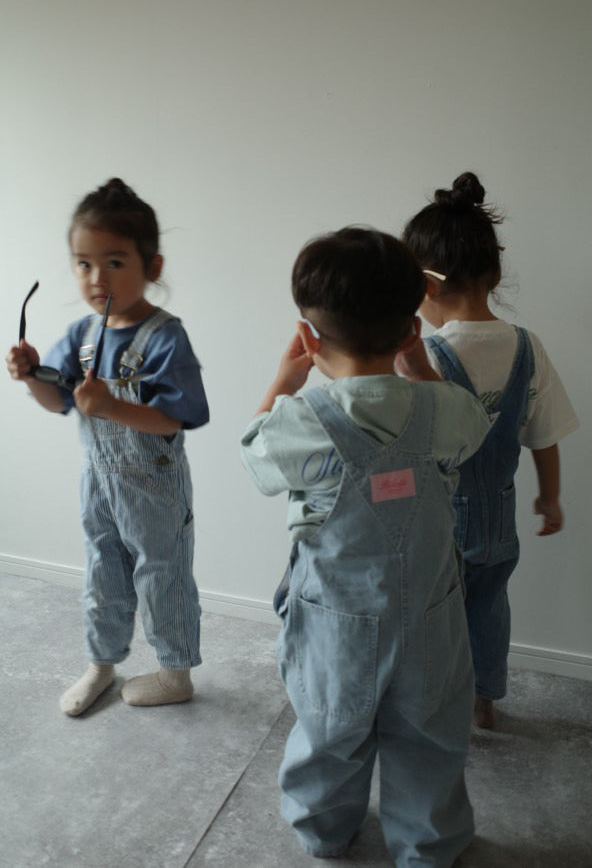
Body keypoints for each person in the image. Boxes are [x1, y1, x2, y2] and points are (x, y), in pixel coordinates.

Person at [241, 227, 492, 866]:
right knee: (431, 737)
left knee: (329, 730)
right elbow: (474, 426)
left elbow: (256, 456)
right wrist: (422, 369)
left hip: (335, 624)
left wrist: (282, 382)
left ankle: (325, 831)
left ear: (308, 338)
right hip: (431, 617)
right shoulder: (442, 411)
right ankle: (427, 846)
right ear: (412, 330)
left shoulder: (302, 420)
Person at [6, 178, 209, 716]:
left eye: (115, 263)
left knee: (162, 573)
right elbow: (57, 401)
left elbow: (177, 418)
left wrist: (111, 406)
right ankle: (102, 662)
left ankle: (175, 672)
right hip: (97, 478)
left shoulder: (165, 337)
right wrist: (30, 375)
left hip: (153, 484)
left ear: (153, 267)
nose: (97, 278)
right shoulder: (82, 335)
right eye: (84, 264)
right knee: (102, 570)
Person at [401, 172, 579, 729]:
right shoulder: (527, 347)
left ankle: (438, 705)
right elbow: (544, 433)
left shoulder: (426, 354)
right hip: (500, 519)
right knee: (489, 607)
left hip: (438, 523)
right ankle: (484, 700)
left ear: (426, 286)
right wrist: (550, 497)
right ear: (495, 274)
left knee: (435, 616)